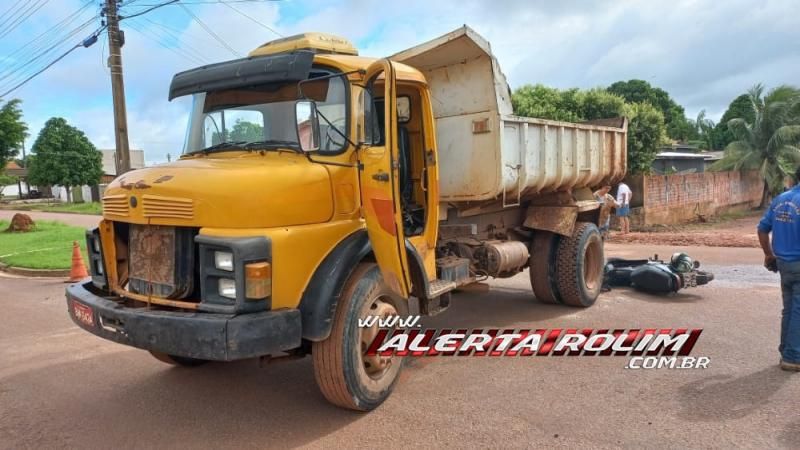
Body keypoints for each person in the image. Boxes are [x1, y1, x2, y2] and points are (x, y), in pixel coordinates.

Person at [757, 166, 800, 372]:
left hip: (783, 263)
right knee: (798, 310)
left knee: (790, 308)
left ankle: (786, 351)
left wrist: (768, 254)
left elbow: (762, 228)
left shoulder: (780, 199)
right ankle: (792, 357)